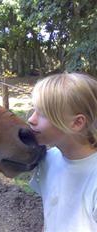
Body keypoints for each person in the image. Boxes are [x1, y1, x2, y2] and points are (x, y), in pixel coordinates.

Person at [28, 72, 97, 232]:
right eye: (34, 110)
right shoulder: (48, 160)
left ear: (77, 123)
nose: (31, 119)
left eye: (43, 113)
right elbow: (53, 215)